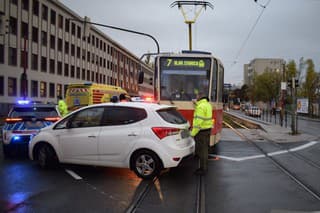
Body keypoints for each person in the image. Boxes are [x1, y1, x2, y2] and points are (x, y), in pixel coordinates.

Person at [190, 92, 214, 175]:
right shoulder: (208, 105)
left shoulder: (200, 107)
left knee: (202, 151)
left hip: (201, 131)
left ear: (200, 97)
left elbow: (198, 123)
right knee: (205, 149)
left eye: (197, 96)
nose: (196, 98)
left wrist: (192, 133)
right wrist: (196, 104)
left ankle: (203, 169)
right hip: (207, 129)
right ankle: (204, 167)